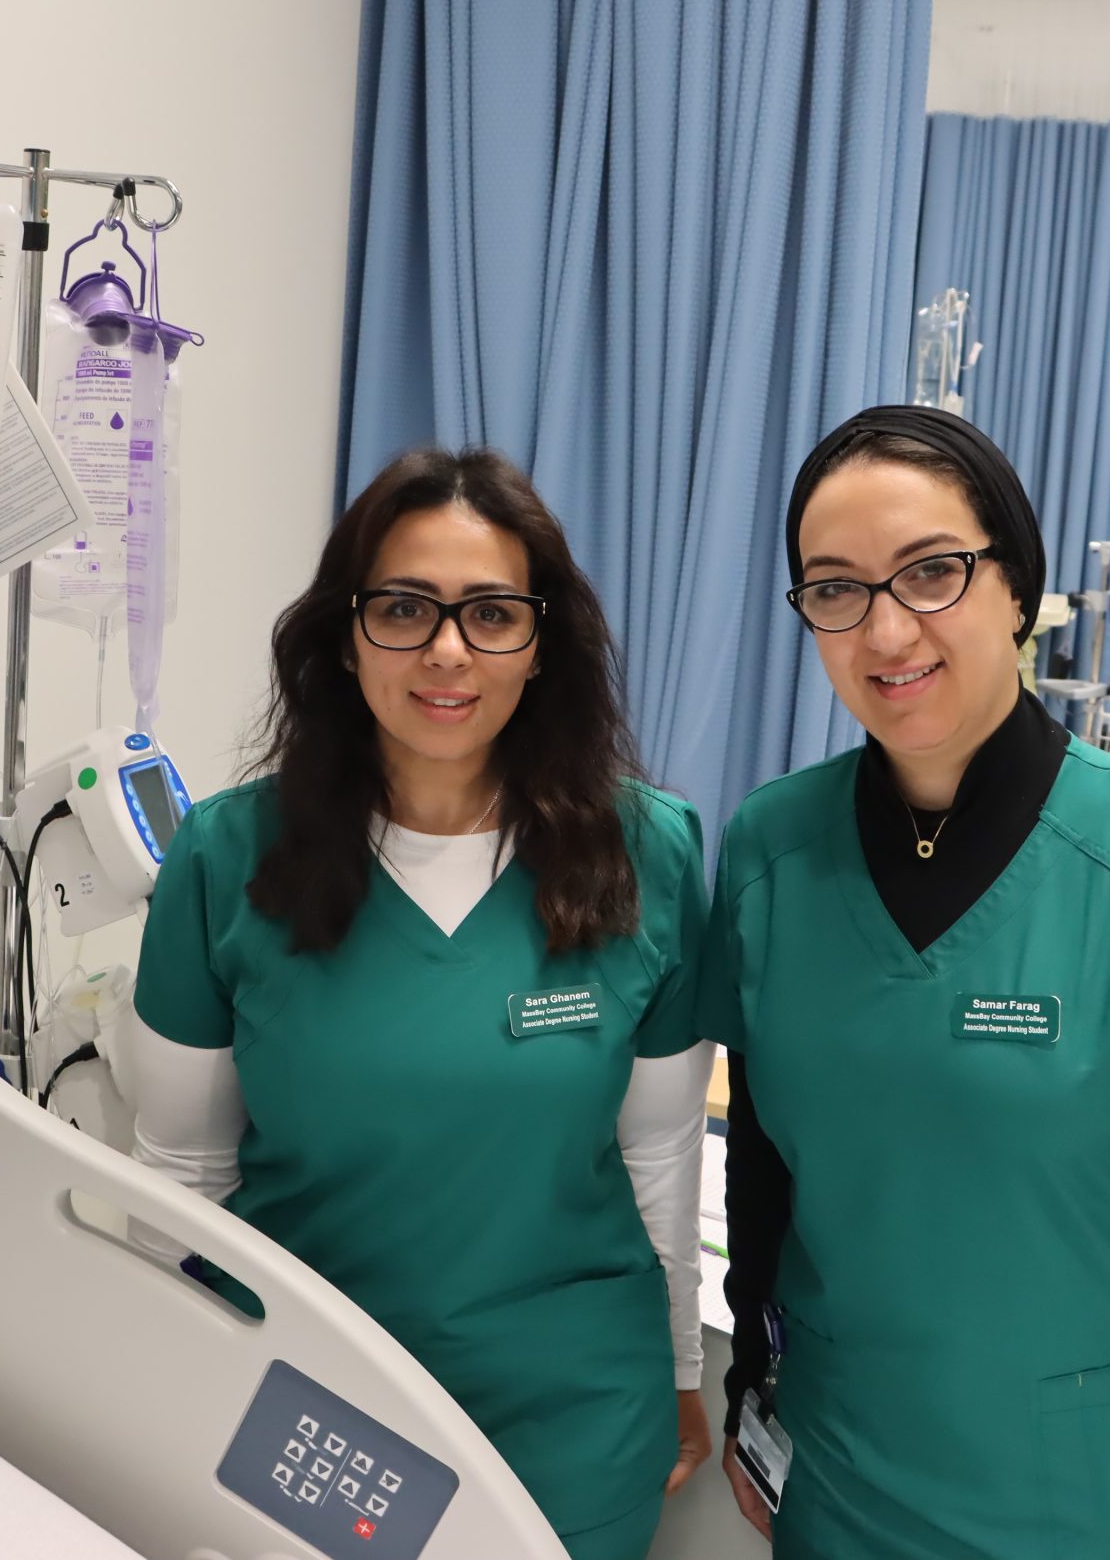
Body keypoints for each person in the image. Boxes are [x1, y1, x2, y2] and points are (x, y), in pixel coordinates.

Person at [700, 406, 1110, 1560]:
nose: (885, 629)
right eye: (834, 589)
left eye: (931, 572)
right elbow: (763, 1154)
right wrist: (753, 1369)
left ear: (1015, 586)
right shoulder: (768, 853)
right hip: (840, 1478)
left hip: (1085, 1498)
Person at [128, 446, 712, 1560]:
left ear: (541, 642)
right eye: (404, 608)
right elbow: (184, 1177)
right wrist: (180, 1383)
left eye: (491, 613)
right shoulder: (228, 857)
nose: (447, 651)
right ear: (346, 636)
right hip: (306, 1401)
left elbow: (659, 1161)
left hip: (573, 1421)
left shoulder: (650, 855)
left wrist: (682, 1368)